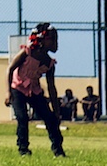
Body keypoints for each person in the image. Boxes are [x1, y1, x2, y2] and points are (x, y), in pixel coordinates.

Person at [4, 23, 64, 158]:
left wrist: (56, 111)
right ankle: (23, 149)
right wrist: (8, 92)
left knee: (50, 119)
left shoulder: (49, 63)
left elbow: (51, 87)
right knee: (22, 117)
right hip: (17, 88)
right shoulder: (27, 52)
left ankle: (58, 150)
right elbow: (10, 69)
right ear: (42, 40)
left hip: (34, 91)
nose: (56, 43)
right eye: (52, 39)